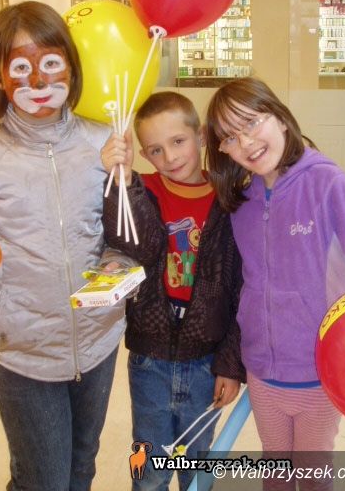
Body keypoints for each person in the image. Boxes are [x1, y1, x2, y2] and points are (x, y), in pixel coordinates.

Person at [0, 0, 131, 491]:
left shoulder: (102, 143)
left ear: (72, 66)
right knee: (42, 480)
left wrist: (119, 256)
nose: (39, 81)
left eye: (51, 63)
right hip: (23, 348)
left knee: (81, 467)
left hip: (97, 341)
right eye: (21, 68)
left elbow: (124, 232)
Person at [205, 77, 345, 487]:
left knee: (312, 475)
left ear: (279, 117)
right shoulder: (242, 204)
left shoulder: (327, 184)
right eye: (231, 138)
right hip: (262, 372)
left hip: (318, 372)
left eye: (252, 122)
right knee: (275, 471)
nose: (246, 142)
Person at [101, 91, 245, 491]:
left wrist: (231, 364)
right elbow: (137, 245)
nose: (169, 157)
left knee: (198, 466)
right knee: (148, 467)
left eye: (178, 141)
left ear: (201, 135)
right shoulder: (143, 189)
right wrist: (122, 181)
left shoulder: (230, 201)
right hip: (150, 357)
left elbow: (240, 290)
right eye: (155, 150)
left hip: (207, 360)